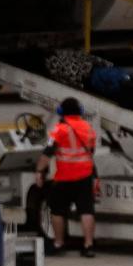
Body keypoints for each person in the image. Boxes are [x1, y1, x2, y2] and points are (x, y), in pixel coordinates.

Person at [44, 97, 98, 256]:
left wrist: (39, 171)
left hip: (64, 178)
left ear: (61, 112)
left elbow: (47, 152)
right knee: (86, 210)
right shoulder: (88, 127)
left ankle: (59, 243)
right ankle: (88, 245)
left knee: (57, 210)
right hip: (85, 176)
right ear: (80, 111)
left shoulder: (58, 129)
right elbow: (92, 150)